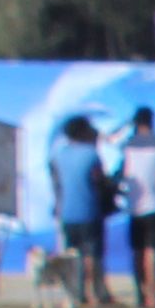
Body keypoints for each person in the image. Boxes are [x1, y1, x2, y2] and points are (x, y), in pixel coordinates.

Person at [110, 107, 155, 308]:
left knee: (137, 249)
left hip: (134, 205)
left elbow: (122, 170)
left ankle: (139, 293)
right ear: (152, 121)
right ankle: (153, 293)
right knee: (153, 250)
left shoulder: (127, 146)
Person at [45, 115, 106, 296]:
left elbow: (56, 183)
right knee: (92, 254)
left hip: (66, 212)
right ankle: (95, 293)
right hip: (89, 210)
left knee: (71, 255)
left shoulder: (58, 155)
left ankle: (75, 293)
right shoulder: (91, 154)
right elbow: (99, 181)